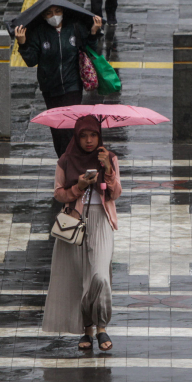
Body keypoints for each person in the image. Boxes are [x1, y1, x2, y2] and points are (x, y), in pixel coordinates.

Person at [42, 115, 122, 351]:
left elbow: (115, 194)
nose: (89, 141)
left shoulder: (110, 158)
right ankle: (88, 329)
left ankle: (102, 324)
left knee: (100, 276)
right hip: (75, 223)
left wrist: (108, 169)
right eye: (84, 135)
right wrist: (79, 187)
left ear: (100, 136)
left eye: (93, 135)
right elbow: (59, 194)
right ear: (76, 137)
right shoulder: (66, 160)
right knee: (80, 279)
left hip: (101, 221)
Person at [15, 7, 102, 156]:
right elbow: (31, 61)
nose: (54, 16)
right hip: (50, 88)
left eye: (57, 12)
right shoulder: (39, 32)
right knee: (57, 129)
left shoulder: (74, 27)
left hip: (72, 86)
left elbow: (91, 49)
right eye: (49, 13)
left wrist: (94, 32)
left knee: (70, 126)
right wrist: (23, 44)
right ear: (43, 16)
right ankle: (63, 160)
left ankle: (70, 160)